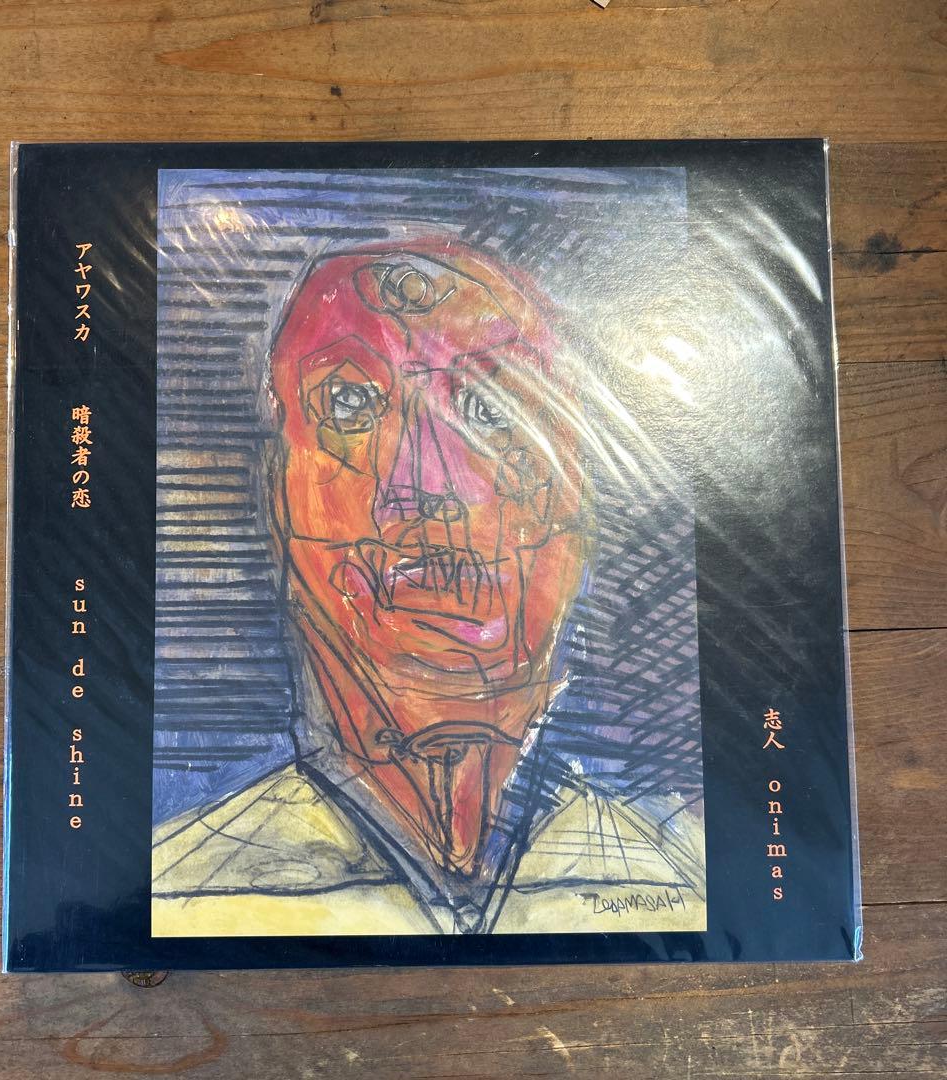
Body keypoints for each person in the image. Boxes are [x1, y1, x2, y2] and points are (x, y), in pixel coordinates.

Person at [152, 238, 705, 936]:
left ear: (578, 496)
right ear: (278, 497)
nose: (426, 491)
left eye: (493, 410)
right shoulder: (178, 902)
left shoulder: (688, 884)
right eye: (348, 403)